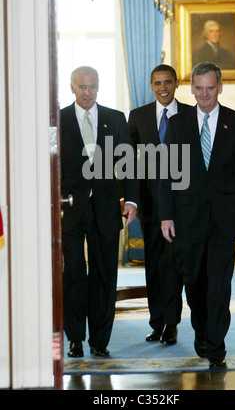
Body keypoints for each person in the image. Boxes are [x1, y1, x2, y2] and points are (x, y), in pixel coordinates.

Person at [159, 62, 235, 369]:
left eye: (209, 88)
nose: (203, 95)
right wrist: (166, 215)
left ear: (220, 87)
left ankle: (216, 346)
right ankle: (202, 332)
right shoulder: (178, 124)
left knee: (219, 285)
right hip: (187, 219)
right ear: (191, 89)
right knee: (195, 284)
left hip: (225, 221)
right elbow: (166, 175)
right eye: (198, 88)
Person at [61, 66, 138, 358]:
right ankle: (76, 338)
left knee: (105, 275)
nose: (87, 92)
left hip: (106, 208)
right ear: (72, 88)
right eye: (81, 87)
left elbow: (128, 162)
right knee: (75, 274)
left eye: (92, 87)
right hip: (69, 209)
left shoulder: (114, 119)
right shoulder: (59, 119)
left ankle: (100, 340)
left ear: (98, 87)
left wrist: (131, 200)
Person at [128, 64, 191, 345]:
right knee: (154, 265)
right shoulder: (138, 116)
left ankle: (172, 323)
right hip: (151, 206)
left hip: (183, 206)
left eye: (168, 82)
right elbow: (128, 161)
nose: (163, 88)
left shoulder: (191, 114)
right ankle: (157, 323)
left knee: (175, 265)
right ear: (151, 85)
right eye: (157, 83)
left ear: (176, 83)